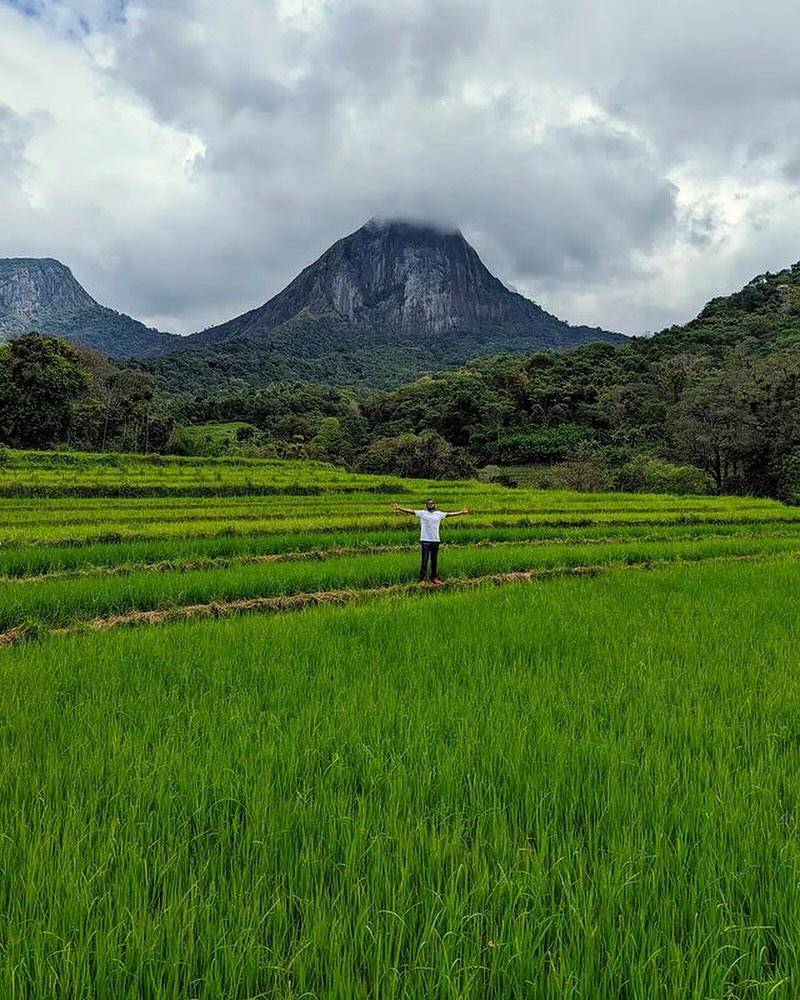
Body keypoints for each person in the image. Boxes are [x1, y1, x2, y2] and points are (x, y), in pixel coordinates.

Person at [391, 498, 472, 584]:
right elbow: (410, 511)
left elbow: (450, 514)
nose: (430, 505)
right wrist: (399, 508)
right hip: (425, 540)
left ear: (434, 504)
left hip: (435, 540)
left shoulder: (439, 514)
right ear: (426, 505)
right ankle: (422, 579)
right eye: (429, 503)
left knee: (434, 560)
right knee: (424, 561)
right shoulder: (422, 513)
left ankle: (434, 577)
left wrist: (462, 512)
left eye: (432, 503)